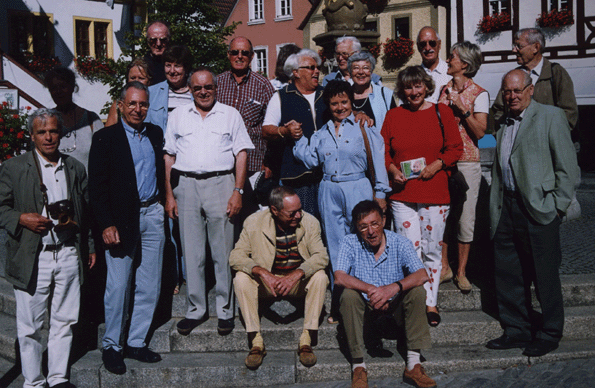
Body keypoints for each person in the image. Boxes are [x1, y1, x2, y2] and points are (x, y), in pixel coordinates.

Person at [0, 108, 95, 388]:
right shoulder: (14, 167)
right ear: (32, 135)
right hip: (33, 256)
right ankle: (33, 382)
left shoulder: (75, 167)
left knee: (65, 321)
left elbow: (86, 212)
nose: (49, 137)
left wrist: (88, 245)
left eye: (53, 130)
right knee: (30, 326)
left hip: (67, 252)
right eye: (42, 132)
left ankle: (58, 378)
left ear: (61, 133)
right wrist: (21, 218)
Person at [486, 69, 578, 357]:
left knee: (544, 274)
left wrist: (556, 206)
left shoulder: (551, 116)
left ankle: (550, 332)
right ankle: (517, 329)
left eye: (516, 90)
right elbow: (494, 158)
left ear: (530, 90)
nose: (511, 96)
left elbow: (568, 169)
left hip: (539, 209)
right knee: (508, 273)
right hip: (506, 207)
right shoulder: (502, 122)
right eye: (507, 91)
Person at [164, 67, 254, 336]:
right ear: (190, 89)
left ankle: (225, 310)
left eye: (208, 87)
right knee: (191, 252)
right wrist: (169, 195)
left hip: (221, 184)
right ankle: (196, 310)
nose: (203, 92)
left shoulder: (230, 115)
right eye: (197, 88)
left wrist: (237, 190)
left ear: (216, 88)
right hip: (186, 186)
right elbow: (169, 156)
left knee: (223, 251)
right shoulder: (178, 116)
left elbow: (241, 153)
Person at [292, 80, 390, 323]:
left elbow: (378, 159)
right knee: (336, 246)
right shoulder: (322, 132)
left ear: (351, 102)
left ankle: (370, 297)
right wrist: (297, 138)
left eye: (344, 102)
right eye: (334, 103)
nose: (339, 107)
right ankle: (341, 301)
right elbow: (310, 159)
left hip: (358, 186)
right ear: (328, 105)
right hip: (329, 188)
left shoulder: (363, 125)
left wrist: (380, 194)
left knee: (365, 240)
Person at [88, 82, 165, 375]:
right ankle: (112, 346)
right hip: (120, 222)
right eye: (132, 104)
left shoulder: (155, 134)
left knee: (149, 284)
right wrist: (106, 223)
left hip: (152, 214)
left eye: (143, 104)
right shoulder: (105, 138)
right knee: (118, 286)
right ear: (120, 105)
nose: (138, 109)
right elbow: (97, 187)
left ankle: (135, 342)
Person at [382, 66, 462, 327]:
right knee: (409, 250)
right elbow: (383, 151)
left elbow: (455, 148)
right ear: (402, 90)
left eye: (418, 86)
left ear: (427, 86)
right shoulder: (393, 115)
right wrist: (392, 169)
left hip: (435, 192)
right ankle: (413, 302)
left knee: (432, 250)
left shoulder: (443, 111)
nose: (414, 92)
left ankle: (430, 301)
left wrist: (438, 164)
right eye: (408, 87)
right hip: (403, 195)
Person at [335, 200, 434, 388]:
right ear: (356, 228)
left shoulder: (400, 242)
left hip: (394, 308)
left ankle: (414, 364)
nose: (370, 231)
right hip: (366, 310)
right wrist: (371, 289)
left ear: (384, 221)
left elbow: (422, 274)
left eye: (374, 224)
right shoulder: (349, 242)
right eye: (363, 227)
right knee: (348, 295)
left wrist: (392, 288)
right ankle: (358, 366)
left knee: (417, 291)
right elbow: (339, 277)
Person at [229, 186, 329, 370]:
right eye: (292, 213)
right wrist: (262, 272)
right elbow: (236, 256)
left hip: (297, 282)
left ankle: (306, 339)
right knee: (241, 278)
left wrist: (298, 273)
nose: (298, 216)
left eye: (299, 210)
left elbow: (321, 256)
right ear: (274, 210)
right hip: (268, 283)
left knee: (320, 277)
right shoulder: (253, 222)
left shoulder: (310, 221)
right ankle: (256, 341)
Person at [437, 41, 489, 292]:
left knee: (465, 219)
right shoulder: (443, 90)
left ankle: (462, 271)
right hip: (446, 162)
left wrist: (463, 111)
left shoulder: (480, 94)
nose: (448, 60)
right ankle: (445, 268)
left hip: (467, 162)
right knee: (445, 216)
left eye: (452, 57)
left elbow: (481, 132)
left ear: (465, 65)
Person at [262, 49, 327, 216]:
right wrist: (284, 131)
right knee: (302, 222)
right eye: (311, 67)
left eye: (317, 67)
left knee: (328, 225)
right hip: (297, 177)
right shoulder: (281, 97)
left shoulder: (325, 93)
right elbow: (266, 129)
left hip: (327, 175)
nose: (317, 71)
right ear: (296, 72)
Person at [217, 36, 276, 217]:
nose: (239, 56)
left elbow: (273, 125)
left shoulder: (263, 85)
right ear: (228, 55)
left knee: (251, 219)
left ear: (251, 57)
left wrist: (270, 163)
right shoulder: (217, 83)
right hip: (223, 165)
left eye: (245, 53)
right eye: (235, 52)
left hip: (253, 166)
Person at [490, 28, 578, 130]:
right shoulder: (514, 76)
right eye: (514, 46)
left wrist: (551, 136)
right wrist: (504, 132)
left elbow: (569, 112)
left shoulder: (556, 72)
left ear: (536, 47)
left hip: (546, 142)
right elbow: (498, 109)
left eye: (519, 46)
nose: (514, 50)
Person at [44, 67, 104, 170]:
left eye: (63, 86)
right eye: (54, 88)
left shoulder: (91, 120)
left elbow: (104, 156)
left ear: (72, 87)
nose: (58, 92)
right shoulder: (45, 122)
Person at [145, 45, 194, 133]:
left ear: (186, 68)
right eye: (168, 65)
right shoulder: (152, 93)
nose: (172, 71)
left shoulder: (195, 92)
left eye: (177, 66)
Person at [347, 51, 396, 131]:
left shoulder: (385, 94)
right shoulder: (345, 95)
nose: (361, 72)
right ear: (350, 72)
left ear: (371, 71)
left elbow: (395, 125)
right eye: (356, 68)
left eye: (366, 68)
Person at [106, 58, 153, 126]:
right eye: (133, 78)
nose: (136, 81)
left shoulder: (157, 100)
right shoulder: (118, 104)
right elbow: (108, 131)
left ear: (149, 81)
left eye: (141, 78)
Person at [416, 27, 451, 104]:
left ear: (439, 44)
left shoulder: (450, 73)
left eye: (432, 43)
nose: (428, 48)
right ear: (418, 47)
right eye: (423, 44)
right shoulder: (413, 76)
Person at [144, 20, 171, 85]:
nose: (158, 44)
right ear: (148, 42)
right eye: (153, 40)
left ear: (168, 41)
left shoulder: (177, 65)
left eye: (163, 40)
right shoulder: (141, 66)